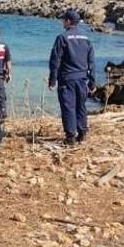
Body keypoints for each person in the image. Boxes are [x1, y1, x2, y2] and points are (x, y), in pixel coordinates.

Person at [49, 9, 96, 146]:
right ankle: (82, 133)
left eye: (64, 20)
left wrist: (52, 79)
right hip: (82, 79)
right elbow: (91, 62)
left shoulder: (62, 37)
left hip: (67, 79)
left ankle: (70, 137)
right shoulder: (86, 38)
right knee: (80, 106)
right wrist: (92, 82)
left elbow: (55, 60)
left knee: (68, 107)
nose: (62, 22)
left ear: (68, 21)